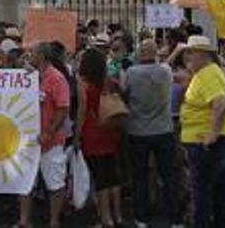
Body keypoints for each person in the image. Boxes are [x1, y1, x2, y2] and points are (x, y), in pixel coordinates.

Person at [175, 34, 225, 228]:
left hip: (207, 142)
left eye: (191, 53)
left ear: (203, 54)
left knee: (202, 190)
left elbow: (220, 104)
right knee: (218, 188)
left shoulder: (207, 74)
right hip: (215, 139)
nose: (188, 57)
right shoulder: (208, 72)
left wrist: (212, 134)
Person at [122, 38, 180, 228]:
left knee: (140, 176)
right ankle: (175, 218)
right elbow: (168, 65)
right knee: (169, 175)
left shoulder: (131, 72)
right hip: (164, 129)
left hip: (138, 130)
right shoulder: (165, 71)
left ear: (140, 53)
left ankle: (141, 217)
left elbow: (124, 92)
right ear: (155, 52)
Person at [17, 42, 70, 228]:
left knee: (54, 182)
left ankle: (54, 221)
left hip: (50, 141)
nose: (29, 55)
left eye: (32, 53)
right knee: (25, 182)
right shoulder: (29, 78)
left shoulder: (56, 78)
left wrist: (49, 132)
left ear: (41, 57)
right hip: (29, 141)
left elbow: (63, 108)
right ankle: (24, 221)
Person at [77, 47, 122, 228]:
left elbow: (82, 110)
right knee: (112, 173)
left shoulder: (83, 83)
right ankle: (117, 215)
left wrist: (77, 135)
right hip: (109, 128)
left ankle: (105, 218)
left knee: (99, 176)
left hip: (92, 130)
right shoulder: (108, 80)